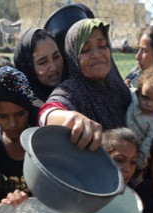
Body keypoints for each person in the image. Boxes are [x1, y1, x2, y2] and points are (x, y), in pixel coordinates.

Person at [39, 19, 130, 151]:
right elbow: (47, 112)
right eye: (86, 49)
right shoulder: (71, 90)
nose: (97, 54)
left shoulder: (117, 85)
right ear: (73, 56)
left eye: (102, 46)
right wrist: (72, 118)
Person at [0, 67, 38, 213]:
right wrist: (2, 212)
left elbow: (45, 191)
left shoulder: (38, 140)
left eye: (20, 114)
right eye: (3, 116)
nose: (13, 124)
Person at [14, 28, 64, 102]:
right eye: (43, 62)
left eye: (56, 57)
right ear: (29, 68)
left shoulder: (77, 90)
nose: (53, 67)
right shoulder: (23, 107)